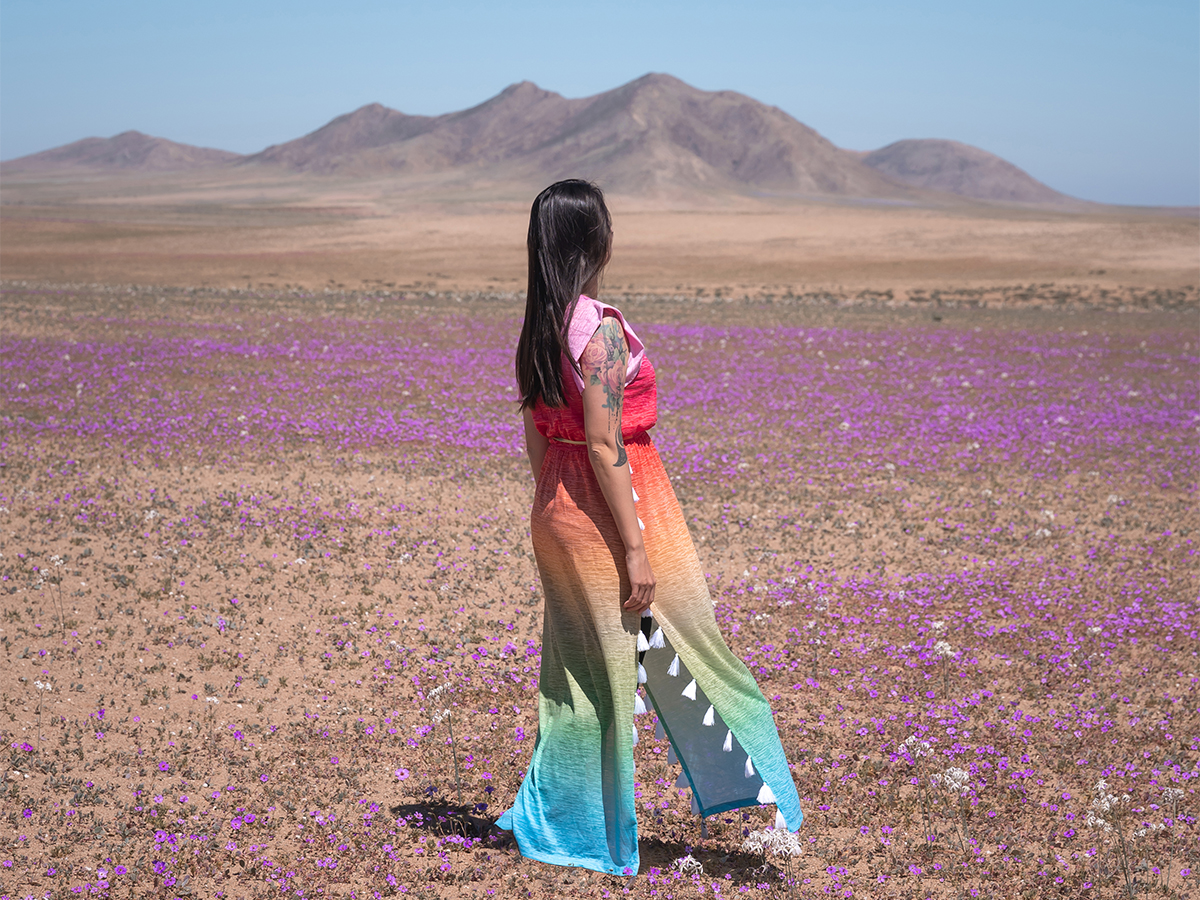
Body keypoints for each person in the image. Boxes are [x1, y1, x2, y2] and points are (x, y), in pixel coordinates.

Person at [495, 179, 802, 876]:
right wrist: (633, 544)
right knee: (697, 645)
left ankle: (564, 819)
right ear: (593, 240)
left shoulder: (541, 323)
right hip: (620, 508)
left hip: (560, 509)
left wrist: (552, 503)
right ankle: (750, 799)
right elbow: (606, 443)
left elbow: (539, 435)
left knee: (579, 677)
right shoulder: (599, 329)